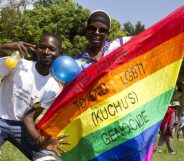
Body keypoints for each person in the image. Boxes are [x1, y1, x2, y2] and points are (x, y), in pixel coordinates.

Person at [0, 33, 70, 161]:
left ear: (59, 53)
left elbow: (29, 118)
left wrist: (40, 141)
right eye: (42, 47)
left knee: (49, 159)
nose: (46, 51)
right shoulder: (18, 64)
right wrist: (3, 47)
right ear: (37, 49)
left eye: (52, 48)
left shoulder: (52, 87)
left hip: (20, 127)